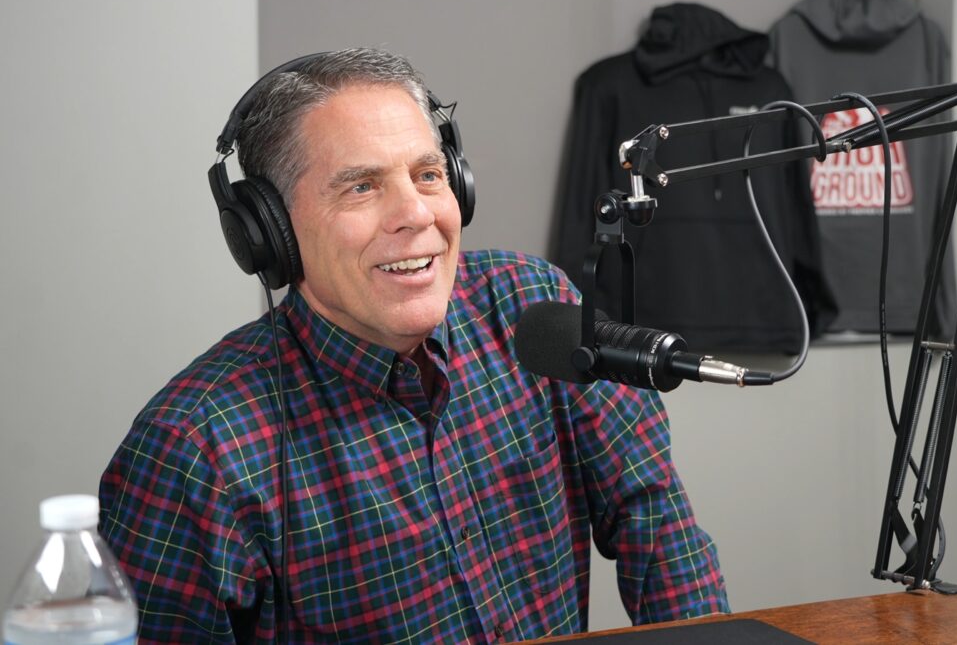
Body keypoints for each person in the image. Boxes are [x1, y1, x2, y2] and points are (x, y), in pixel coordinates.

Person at [97, 48, 728, 643]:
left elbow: (659, 528)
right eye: (361, 187)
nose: (417, 215)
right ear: (270, 230)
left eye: (428, 175)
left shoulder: (533, 304)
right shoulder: (192, 449)